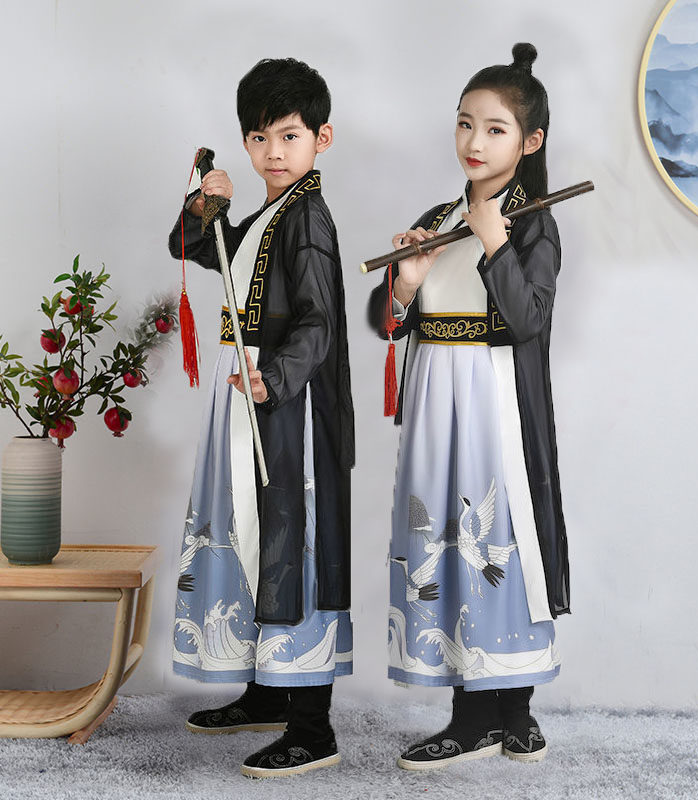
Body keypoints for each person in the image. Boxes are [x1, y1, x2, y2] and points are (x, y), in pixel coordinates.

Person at [367, 42, 570, 771]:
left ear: (530, 142)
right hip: (433, 399)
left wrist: (494, 247)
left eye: (494, 128)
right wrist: (405, 280)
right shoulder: (437, 215)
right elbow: (389, 323)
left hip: (493, 403)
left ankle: (506, 709)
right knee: (442, 542)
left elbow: (529, 320)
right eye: (464, 124)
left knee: (498, 541)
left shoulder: (533, 221)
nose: (474, 141)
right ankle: (481, 713)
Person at [169, 57, 354, 778]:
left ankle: (312, 726)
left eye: (289, 135)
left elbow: (319, 323)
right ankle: (267, 693)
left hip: (285, 413)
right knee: (250, 538)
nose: (273, 152)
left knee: (288, 544)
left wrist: (273, 380)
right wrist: (204, 204)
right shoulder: (268, 216)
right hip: (244, 399)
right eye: (259, 138)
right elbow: (191, 248)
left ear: (321, 138)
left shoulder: (307, 221)